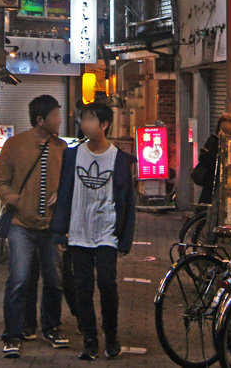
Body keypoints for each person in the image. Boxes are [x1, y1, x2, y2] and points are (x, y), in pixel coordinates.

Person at [51, 101, 136, 361]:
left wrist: (125, 240)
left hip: (107, 231)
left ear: (104, 124)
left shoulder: (119, 159)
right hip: (78, 231)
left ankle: (111, 336)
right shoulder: (73, 155)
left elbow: (128, 201)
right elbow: (65, 193)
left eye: (89, 120)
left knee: (108, 282)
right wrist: (59, 231)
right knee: (82, 287)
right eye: (82, 120)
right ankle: (90, 340)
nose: (84, 125)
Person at [0, 94, 69, 359]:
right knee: (19, 279)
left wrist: (62, 195)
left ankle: (52, 327)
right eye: (56, 115)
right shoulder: (14, 145)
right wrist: (17, 200)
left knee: (54, 278)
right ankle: (12, 334)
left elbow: (68, 183)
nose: (60, 119)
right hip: (19, 224)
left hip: (50, 226)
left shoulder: (62, 149)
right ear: (41, 119)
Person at [197, 113, 231, 204]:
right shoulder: (213, 141)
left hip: (230, 182)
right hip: (212, 181)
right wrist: (218, 143)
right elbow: (204, 159)